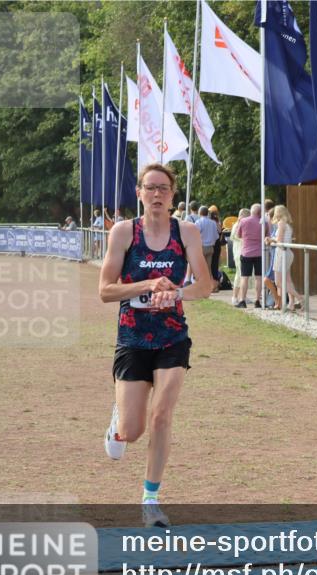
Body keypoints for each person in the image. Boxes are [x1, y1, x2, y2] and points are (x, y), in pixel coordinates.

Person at [98, 163, 212, 528]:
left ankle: (151, 500)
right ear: (139, 193)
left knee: (162, 415)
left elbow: (205, 286)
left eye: (164, 188)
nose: (158, 194)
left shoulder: (187, 232)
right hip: (132, 337)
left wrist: (175, 293)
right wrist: (147, 286)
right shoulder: (123, 233)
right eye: (151, 188)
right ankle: (118, 422)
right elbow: (105, 290)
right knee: (133, 431)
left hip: (172, 337)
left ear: (173, 194)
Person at [268, 205, 303, 310]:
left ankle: (300, 299)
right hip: (287, 253)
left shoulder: (281, 223)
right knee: (288, 280)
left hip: (281, 253)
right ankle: (291, 303)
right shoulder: (287, 224)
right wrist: (272, 239)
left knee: (279, 282)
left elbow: (279, 241)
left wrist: (270, 240)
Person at [232, 204, 264, 308]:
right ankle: (257, 300)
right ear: (259, 212)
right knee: (258, 277)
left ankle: (242, 300)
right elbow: (266, 235)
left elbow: (238, 235)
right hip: (259, 252)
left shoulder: (243, 221)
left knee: (244, 277)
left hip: (246, 252)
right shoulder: (263, 222)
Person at [192, 205, 219, 291]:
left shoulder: (198, 222)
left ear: (200, 213)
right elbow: (216, 236)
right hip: (211, 247)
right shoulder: (213, 223)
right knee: (209, 268)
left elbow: (194, 235)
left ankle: (200, 287)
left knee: (200, 268)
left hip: (201, 247)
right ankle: (212, 286)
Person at [208, 206, 224, 291]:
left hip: (211, 244)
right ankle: (215, 285)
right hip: (217, 244)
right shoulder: (217, 221)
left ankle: (212, 285)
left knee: (210, 265)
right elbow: (220, 232)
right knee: (215, 265)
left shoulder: (210, 222)